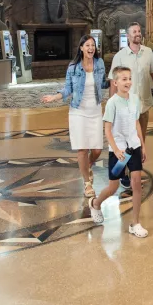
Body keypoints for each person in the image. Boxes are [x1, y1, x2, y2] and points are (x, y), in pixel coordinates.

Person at [42, 35, 106, 198]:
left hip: (95, 111)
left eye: (93, 45)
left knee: (97, 150)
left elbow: (104, 82)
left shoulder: (100, 63)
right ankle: (87, 184)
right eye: (87, 45)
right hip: (78, 112)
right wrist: (55, 97)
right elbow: (67, 89)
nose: (91, 48)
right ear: (81, 48)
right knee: (82, 148)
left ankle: (87, 166)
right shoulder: (73, 67)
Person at [89, 66, 149, 238]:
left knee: (136, 182)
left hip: (134, 146)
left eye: (129, 78)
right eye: (124, 79)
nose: (128, 82)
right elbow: (107, 129)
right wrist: (115, 150)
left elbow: (136, 123)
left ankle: (135, 223)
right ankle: (96, 203)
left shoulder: (135, 99)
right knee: (113, 187)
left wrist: (142, 145)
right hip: (119, 150)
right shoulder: (112, 103)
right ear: (115, 82)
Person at [108, 22, 153, 137]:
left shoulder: (148, 52)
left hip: (143, 106)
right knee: (128, 139)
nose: (138, 34)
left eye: (139, 31)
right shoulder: (119, 56)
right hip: (126, 106)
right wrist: (111, 106)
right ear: (128, 36)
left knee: (141, 138)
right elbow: (113, 82)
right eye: (134, 32)